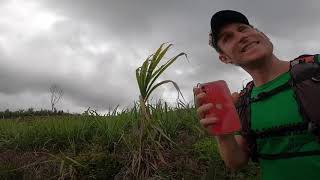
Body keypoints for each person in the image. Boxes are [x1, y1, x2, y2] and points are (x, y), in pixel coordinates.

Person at [193, 10, 320, 180]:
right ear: (225, 58)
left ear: (263, 35)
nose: (240, 36)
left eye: (243, 29)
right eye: (228, 38)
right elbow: (237, 162)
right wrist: (223, 134)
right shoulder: (243, 102)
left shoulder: (316, 68)